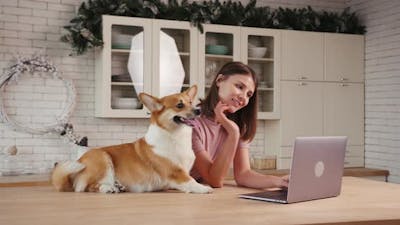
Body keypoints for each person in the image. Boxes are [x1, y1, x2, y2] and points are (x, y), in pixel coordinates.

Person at [190, 61, 289, 189]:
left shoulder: (237, 125)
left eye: (249, 94)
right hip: (170, 191)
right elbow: (214, 180)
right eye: (239, 87)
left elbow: (243, 174)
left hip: (196, 190)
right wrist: (233, 133)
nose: (244, 97)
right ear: (220, 80)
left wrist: (280, 182)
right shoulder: (191, 124)